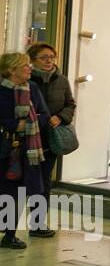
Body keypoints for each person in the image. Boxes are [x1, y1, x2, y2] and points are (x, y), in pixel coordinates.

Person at [0, 52, 52, 249]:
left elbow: (44, 114)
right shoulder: (2, 90)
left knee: (18, 192)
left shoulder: (32, 88)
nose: (29, 68)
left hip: (27, 150)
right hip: (4, 148)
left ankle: (10, 234)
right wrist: (14, 125)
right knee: (5, 191)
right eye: (24, 66)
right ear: (11, 70)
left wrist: (31, 122)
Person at [27, 43, 75, 236]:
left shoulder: (62, 80)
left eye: (52, 57)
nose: (49, 61)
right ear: (32, 59)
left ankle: (38, 224)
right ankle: (8, 224)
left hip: (49, 139)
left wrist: (60, 117)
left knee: (44, 182)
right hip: (28, 138)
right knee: (20, 181)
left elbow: (70, 104)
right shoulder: (26, 80)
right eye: (44, 57)